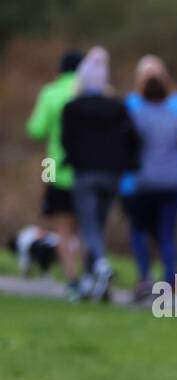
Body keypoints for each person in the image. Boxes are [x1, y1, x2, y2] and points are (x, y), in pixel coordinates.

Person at [60, 47, 139, 302]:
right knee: (98, 224)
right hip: (112, 173)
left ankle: (100, 266)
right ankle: (92, 279)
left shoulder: (73, 107)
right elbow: (132, 138)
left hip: (85, 172)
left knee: (88, 224)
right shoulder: (118, 106)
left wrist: (71, 160)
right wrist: (127, 164)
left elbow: (66, 141)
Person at [122, 59, 177, 298]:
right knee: (167, 233)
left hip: (144, 182)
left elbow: (126, 146)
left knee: (139, 230)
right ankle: (169, 280)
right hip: (173, 182)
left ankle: (145, 278)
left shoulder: (135, 116)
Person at [25, 49, 83, 299]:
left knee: (62, 228)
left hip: (56, 169)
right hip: (88, 171)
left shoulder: (51, 93)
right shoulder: (92, 92)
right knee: (87, 229)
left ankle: (73, 281)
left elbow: (36, 130)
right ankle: (90, 275)